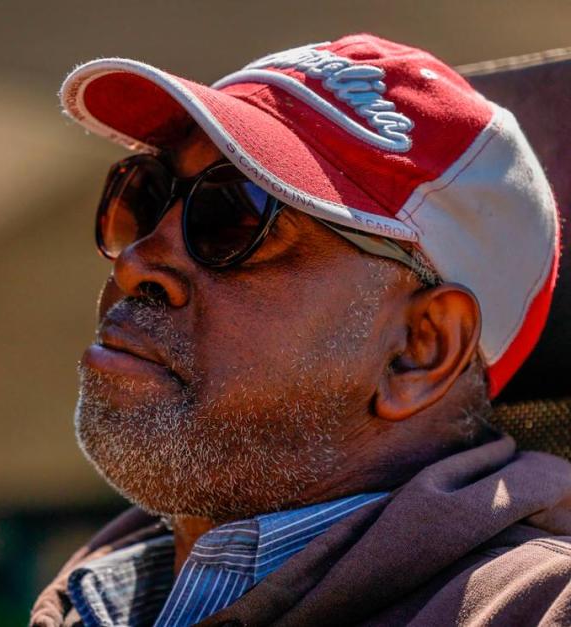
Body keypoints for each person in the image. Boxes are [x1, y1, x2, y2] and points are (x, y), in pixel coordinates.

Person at [31, 34, 570, 626]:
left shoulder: (537, 609)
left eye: (238, 212)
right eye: (147, 194)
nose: (135, 263)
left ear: (421, 350)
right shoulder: (87, 601)